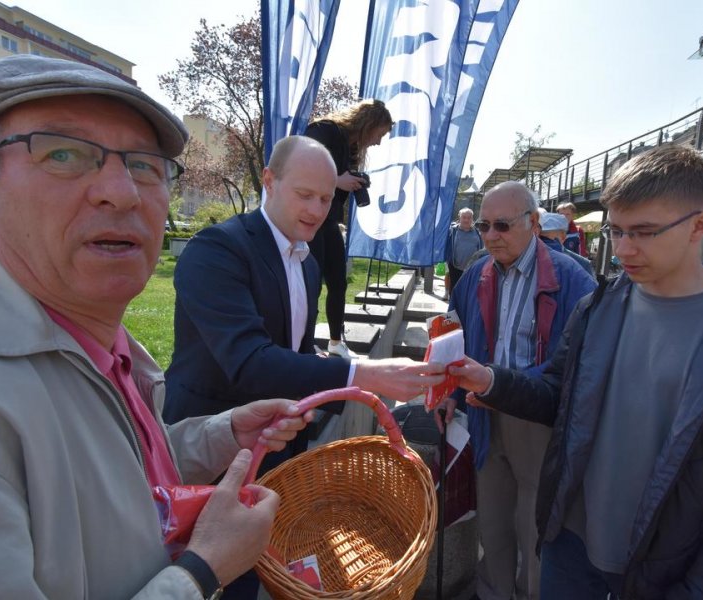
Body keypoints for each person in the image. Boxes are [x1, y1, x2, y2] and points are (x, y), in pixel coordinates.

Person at [0, 55, 315, 599]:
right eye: (64, 154)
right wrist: (205, 570)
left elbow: (110, 476)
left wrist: (222, 434)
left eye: (144, 165)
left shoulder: (94, 342)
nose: (121, 192)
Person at [446, 145, 703, 599]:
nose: (623, 249)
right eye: (616, 230)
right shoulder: (600, 307)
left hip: (672, 570)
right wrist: (491, 381)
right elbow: (556, 395)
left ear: (700, 226)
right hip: (570, 551)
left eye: (643, 232)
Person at [163, 136, 443, 457]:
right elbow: (250, 362)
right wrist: (368, 374)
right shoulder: (216, 249)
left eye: (325, 199)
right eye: (304, 195)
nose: (316, 210)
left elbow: (289, 345)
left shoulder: (308, 263)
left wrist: (315, 356)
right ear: (269, 181)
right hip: (207, 451)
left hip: (281, 445)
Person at [441, 181, 596, 600]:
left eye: (502, 225)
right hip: (483, 411)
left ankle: (532, 593)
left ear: (532, 222)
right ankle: (493, 592)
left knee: (535, 525)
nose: (491, 235)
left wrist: (508, 387)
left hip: (537, 417)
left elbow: (580, 359)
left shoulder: (572, 279)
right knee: (491, 518)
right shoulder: (475, 273)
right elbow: (460, 339)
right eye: (486, 225)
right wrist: (452, 395)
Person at [303, 99, 394, 358]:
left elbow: (339, 179)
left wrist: (353, 181)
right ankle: (305, 343)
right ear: (369, 124)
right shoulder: (325, 130)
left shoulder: (349, 147)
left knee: (338, 283)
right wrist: (336, 179)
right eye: (380, 134)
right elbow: (300, 162)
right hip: (308, 221)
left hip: (328, 221)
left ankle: (335, 342)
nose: (378, 142)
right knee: (310, 284)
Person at [537, 209, 595, 278]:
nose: (543, 241)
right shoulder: (530, 257)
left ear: (563, 237)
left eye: (547, 237)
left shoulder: (582, 264)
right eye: (540, 236)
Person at [444, 207, 483, 298]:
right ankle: (453, 310)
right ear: (459, 218)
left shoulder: (478, 233)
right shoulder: (452, 231)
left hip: (472, 268)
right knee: (454, 291)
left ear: (472, 219)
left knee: (469, 292)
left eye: (469, 217)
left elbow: (481, 249)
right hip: (455, 266)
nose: (466, 220)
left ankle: (464, 311)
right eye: (464, 217)